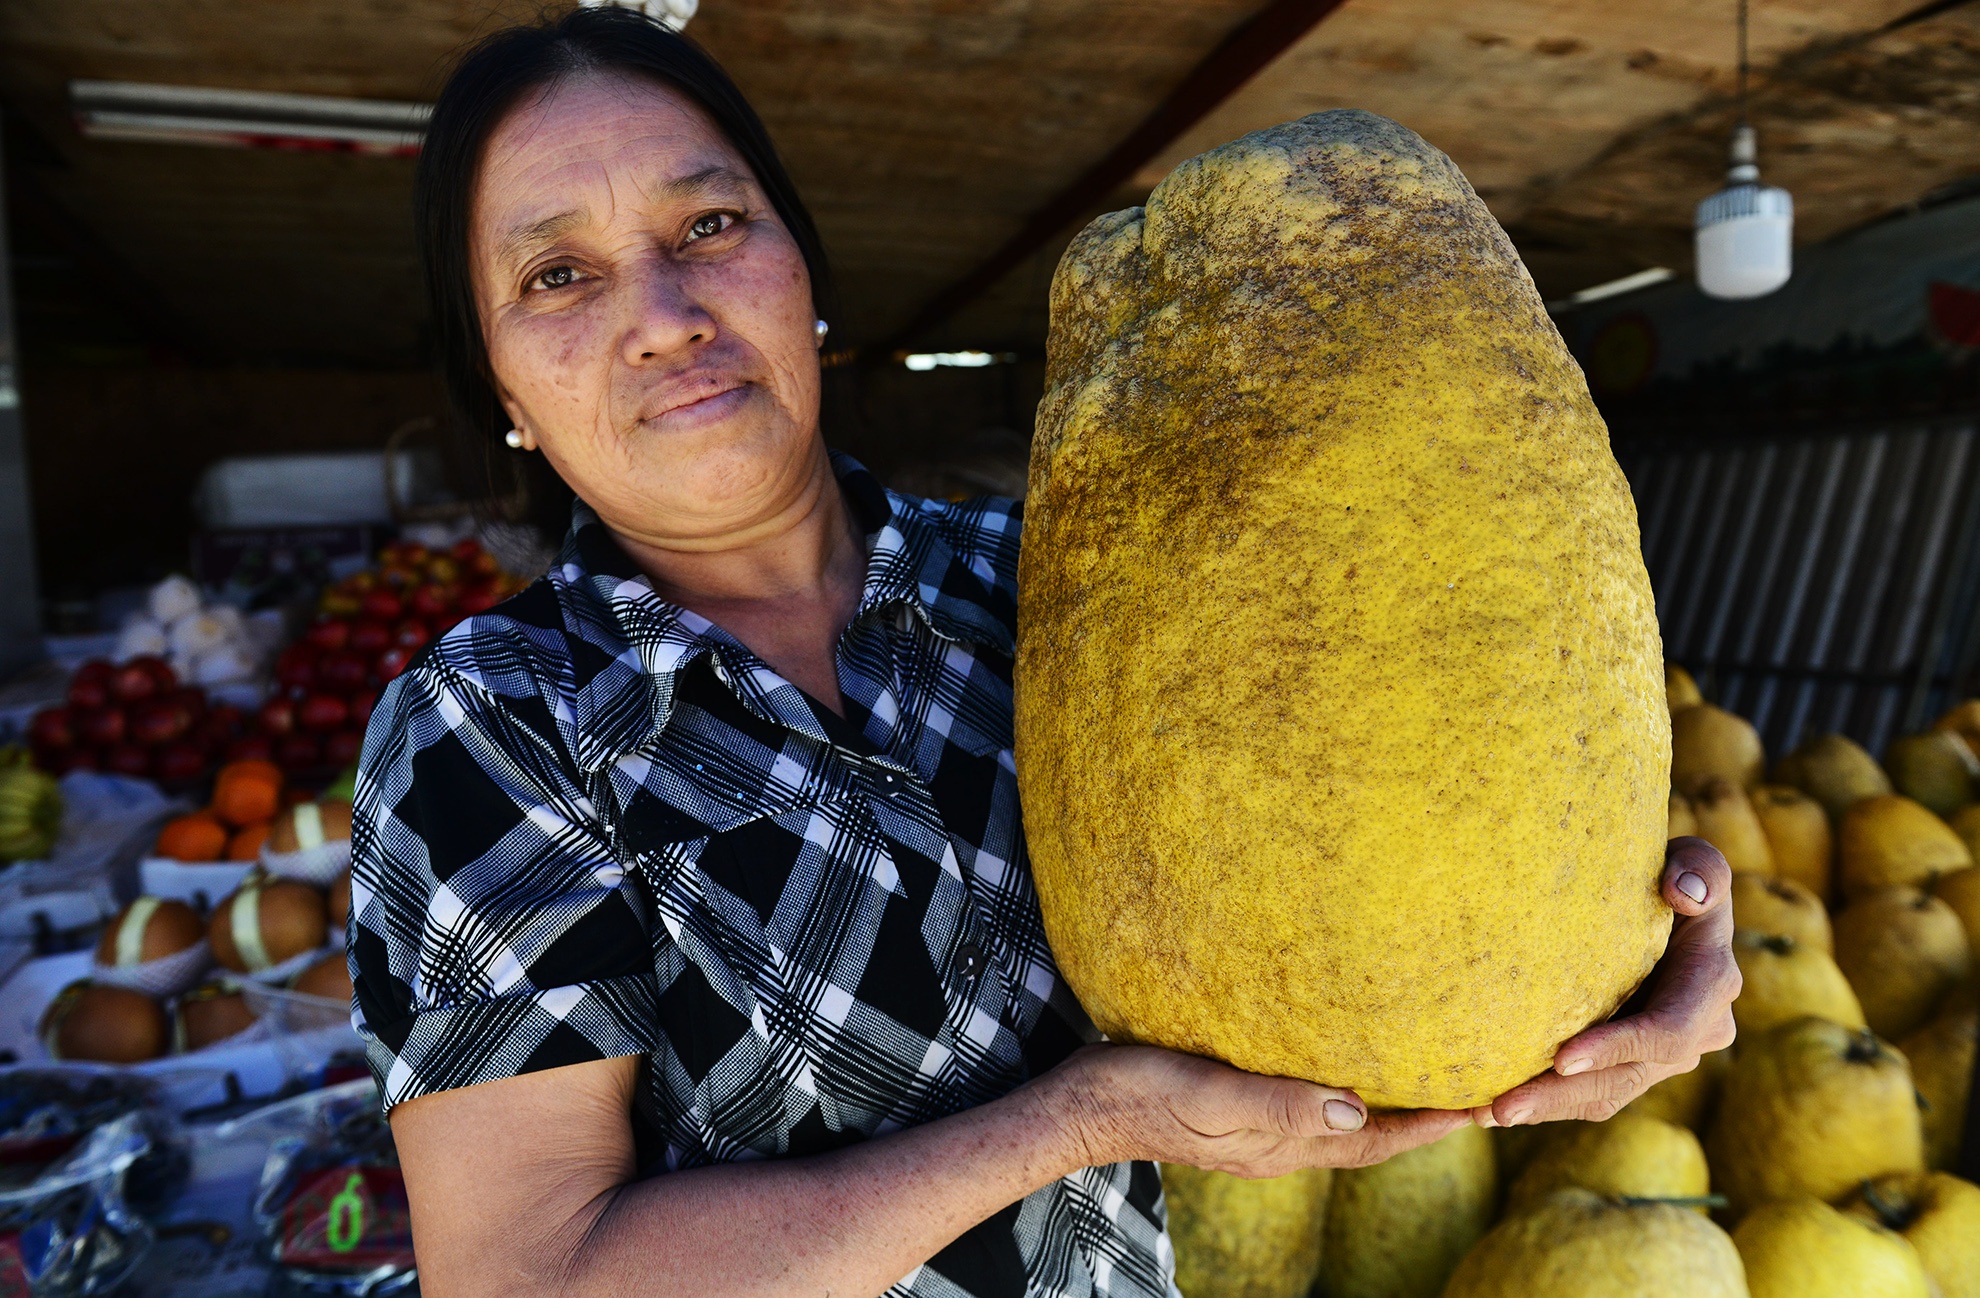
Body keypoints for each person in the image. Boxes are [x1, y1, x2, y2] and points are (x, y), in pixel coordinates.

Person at [348, 10, 1740, 1297]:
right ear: (500, 384)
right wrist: (1079, 1121)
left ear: (802, 273)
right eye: (558, 275)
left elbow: (1393, 881)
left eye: (709, 223)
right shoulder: (489, 726)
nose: (665, 315)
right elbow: (525, 1277)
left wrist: (1622, 960)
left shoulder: (1062, 585)